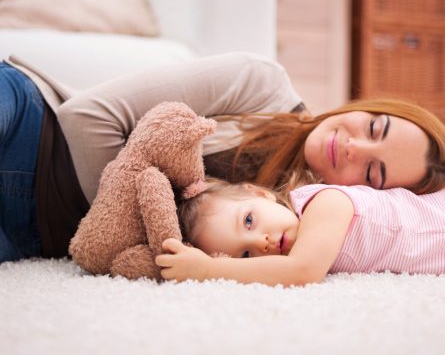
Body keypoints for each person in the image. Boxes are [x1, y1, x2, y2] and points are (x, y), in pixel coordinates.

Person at [1, 51, 445, 262]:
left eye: (371, 172)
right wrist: (134, 214)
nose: (353, 147)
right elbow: (86, 118)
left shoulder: (282, 233)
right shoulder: (262, 84)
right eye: (373, 128)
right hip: (30, 129)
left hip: (35, 239)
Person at [156, 178, 445, 287]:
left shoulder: (324, 203)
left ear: (260, 193)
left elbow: (302, 271)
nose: (261, 243)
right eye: (245, 255)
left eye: (248, 221)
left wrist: (208, 269)